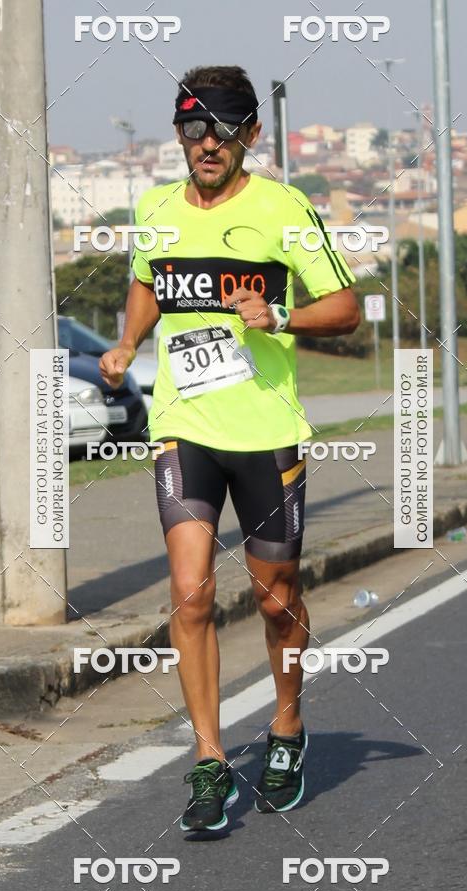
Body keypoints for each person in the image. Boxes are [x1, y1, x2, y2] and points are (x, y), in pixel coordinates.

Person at [99, 65, 359, 832]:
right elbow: (150, 278)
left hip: (266, 432)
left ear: (250, 134)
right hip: (183, 426)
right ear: (176, 133)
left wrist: (277, 315)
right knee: (192, 593)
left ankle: (286, 724)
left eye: (222, 127)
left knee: (278, 597)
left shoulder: (284, 208)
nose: (206, 143)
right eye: (191, 127)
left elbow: (344, 309)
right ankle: (209, 759)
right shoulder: (156, 208)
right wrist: (125, 341)